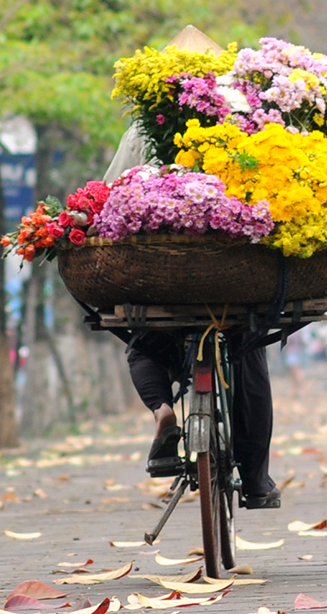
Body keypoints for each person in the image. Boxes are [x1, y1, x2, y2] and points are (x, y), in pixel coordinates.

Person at [107, 26, 280, 510]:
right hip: (232, 280)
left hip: (160, 276)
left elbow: (110, 195)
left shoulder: (140, 130)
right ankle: (258, 481)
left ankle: (163, 409)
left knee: (144, 344)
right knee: (248, 361)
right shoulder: (244, 124)